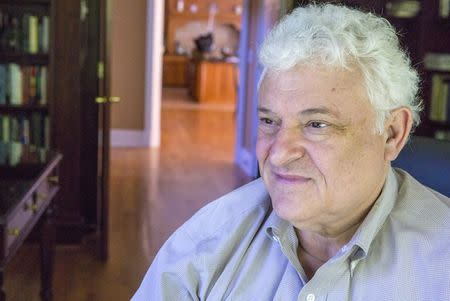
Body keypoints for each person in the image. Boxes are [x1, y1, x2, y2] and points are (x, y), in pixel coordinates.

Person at [132, 4, 450, 300]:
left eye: (317, 124)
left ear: (392, 133)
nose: (279, 154)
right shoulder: (209, 239)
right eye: (269, 120)